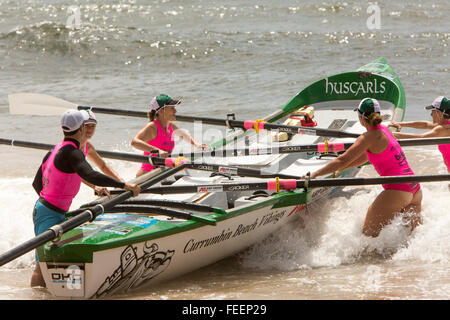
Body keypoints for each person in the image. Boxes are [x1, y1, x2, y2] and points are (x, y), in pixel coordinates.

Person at [30, 109, 141, 287]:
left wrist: (53, 202)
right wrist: (123, 185)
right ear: (81, 128)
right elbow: (90, 174)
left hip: (49, 210)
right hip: (49, 213)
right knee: (41, 265)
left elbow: (37, 183)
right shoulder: (73, 152)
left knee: (52, 260)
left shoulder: (55, 149)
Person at [307, 98, 422, 238]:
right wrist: (343, 168)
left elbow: (342, 159)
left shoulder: (367, 137)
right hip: (415, 186)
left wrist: (315, 174)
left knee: (368, 238)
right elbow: (367, 157)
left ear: (361, 118)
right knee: (410, 240)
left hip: (398, 189)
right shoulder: (385, 130)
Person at [131, 94, 207, 177]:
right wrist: (157, 151)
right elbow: (134, 142)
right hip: (147, 176)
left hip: (162, 172)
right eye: (172, 108)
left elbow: (183, 134)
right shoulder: (152, 127)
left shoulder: (170, 125)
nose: (175, 111)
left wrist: (196, 144)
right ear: (160, 111)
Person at [388, 96, 450, 176]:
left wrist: (393, 135)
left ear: (440, 113)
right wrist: (401, 124)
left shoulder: (443, 129)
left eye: (433, 111)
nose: (431, 114)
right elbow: (425, 124)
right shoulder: (444, 126)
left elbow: (421, 138)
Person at [80, 109, 124, 197]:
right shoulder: (71, 146)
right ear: (79, 126)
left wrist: (119, 180)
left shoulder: (87, 146)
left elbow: (103, 166)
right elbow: (75, 171)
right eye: (87, 125)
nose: (90, 129)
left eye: (93, 126)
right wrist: (95, 186)